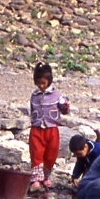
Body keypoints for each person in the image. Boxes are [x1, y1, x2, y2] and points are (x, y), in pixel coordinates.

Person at [28, 63, 69, 192]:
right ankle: (36, 179)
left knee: (51, 153)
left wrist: (65, 105)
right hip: (37, 129)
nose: (41, 86)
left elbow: (64, 111)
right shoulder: (34, 96)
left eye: (44, 83)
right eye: (39, 83)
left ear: (49, 81)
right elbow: (32, 110)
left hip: (52, 129)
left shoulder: (57, 95)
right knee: (36, 153)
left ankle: (45, 177)